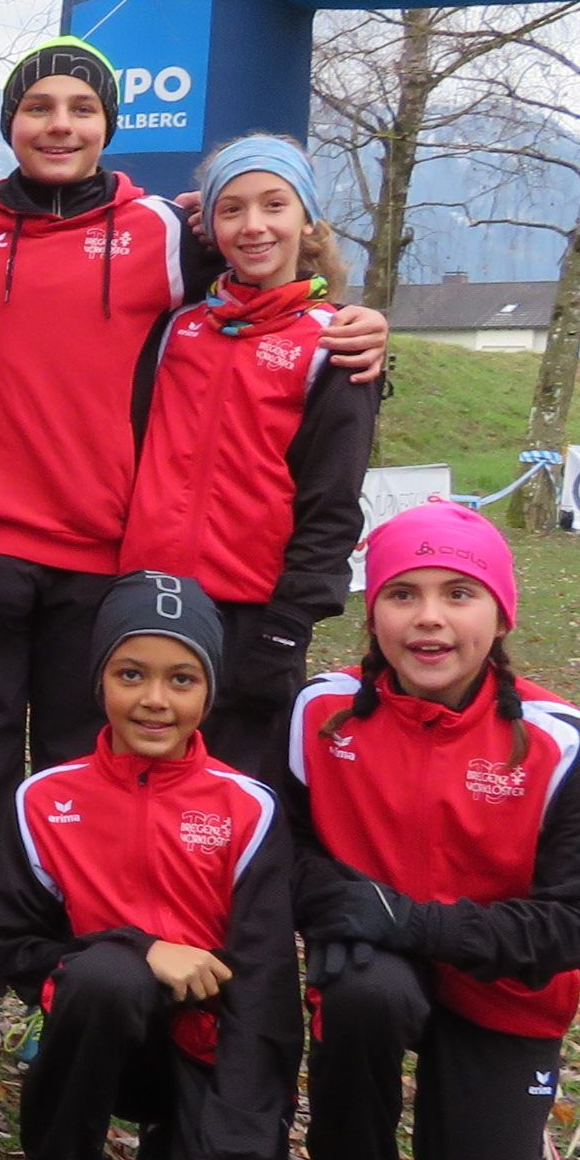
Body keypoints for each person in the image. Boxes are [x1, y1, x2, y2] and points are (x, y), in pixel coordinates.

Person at [0, 38, 390, 1067]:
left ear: (110, 125)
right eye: (38, 106)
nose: (59, 124)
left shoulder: (162, 240)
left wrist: (364, 325)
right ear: (10, 122)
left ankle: (63, 980)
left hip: (107, 568)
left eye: (82, 106)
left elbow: (274, 267)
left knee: (87, 784)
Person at [289, 504, 580, 1160]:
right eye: (403, 594)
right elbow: (271, 849)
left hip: (504, 993)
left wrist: (414, 923)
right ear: (373, 611)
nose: (430, 619)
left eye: (459, 594)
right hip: (377, 969)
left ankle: (513, 1141)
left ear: (501, 612)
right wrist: (326, 900)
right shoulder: (316, 714)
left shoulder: (564, 743)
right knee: (361, 994)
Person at [0, 572, 298, 1160]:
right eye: (132, 674)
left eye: (181, 679)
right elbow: (13, 949)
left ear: (209, 690)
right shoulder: (44, 801)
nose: (155, 700)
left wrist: (233, 1158)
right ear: (101, 680)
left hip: (207, 1060)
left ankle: (182, 1150)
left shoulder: (248, 810)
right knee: (106, 976)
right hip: (101, 1039)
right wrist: (139, 948)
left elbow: (268, 994)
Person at [118, 135, 378, 783]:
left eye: (274, 205)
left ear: (308, 220)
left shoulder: (335, 345)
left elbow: (332, 505)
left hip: (255, 619)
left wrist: (288, 627)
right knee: (141, 790)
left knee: (236, 805)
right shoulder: (175, 330)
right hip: (151, 601)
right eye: (231, 210)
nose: (254, 225)